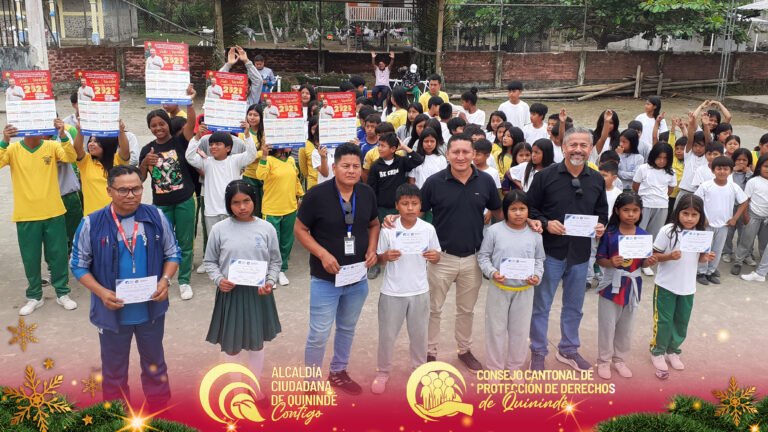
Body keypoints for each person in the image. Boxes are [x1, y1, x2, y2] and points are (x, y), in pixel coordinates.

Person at [385, 133, 504, 371]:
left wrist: (524, 225)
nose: (461, 157)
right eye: (455, 152)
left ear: (474, 154)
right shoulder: (435, 182)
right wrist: (395, 216)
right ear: (447, 154)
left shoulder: (486, 181)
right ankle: (428, 352)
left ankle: (464, 349)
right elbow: (416, 209)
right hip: (441, 257)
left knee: (466, 310)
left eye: (465, 152)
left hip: (473, 258)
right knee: (433, 309)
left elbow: (499, 212)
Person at [70, 165, 180, 410]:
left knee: (155, 365)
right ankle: (117, 418)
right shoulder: (92, 223)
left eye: (136, 189)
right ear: (109, 191)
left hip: (150, 310)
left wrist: (165, 280)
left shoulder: (156, 217)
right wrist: (101, 292)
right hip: (111, 313)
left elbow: (173, 253)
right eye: (123, 190)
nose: (131, 195)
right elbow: (78, 264)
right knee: (114, 372)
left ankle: (161, 415)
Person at [295, 143, 380, 395]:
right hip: (325, 278)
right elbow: (300, 229)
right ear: (334, 167)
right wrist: (322, 254)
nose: (352, 171)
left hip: (357, 277)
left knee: (346, 327)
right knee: (319, 333)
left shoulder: (365, 193)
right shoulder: (317, 195)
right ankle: (311, 382)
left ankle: (338, 372)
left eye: (356, 166)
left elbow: (374, 224)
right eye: (346, 166)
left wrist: (373, 248)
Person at [526, 126, 609, 371]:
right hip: (550, 252)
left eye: (584, 145)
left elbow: (601, 212)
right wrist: (545, 223)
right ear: (563, 147)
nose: (578, 150)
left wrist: (601, 225)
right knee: (541, 305)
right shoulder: (545, 177)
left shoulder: (596, 179)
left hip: (580, 255)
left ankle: (568, 349)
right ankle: (538, 351)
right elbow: (530, 210)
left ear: (591, 149)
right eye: (573, 145)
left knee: (574, 306)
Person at [204, 180, 281, 398]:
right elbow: (210, 261)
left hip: (259, 294)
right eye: (236, 203)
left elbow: (275, 261)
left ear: (254, 200)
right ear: (229, 205)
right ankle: (237, 390)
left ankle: (254, 388)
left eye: (246, 201)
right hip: (231, 294)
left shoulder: (266, 228)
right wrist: (220, 280)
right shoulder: (219, 229)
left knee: (256, 344)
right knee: (233, 346)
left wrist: (270, 281)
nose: (242, 207)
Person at [2, 118, 79, 315]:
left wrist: (62, 135)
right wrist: (4, 140)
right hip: (26, 214)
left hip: (54, 211)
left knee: (59, 255)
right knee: (30, 258)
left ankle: (62, 293)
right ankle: (34, 296)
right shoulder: (13, 150)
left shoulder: (52, 145)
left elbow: (71, 157)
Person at [371, 183, 440, 394]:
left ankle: (419, 369)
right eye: (405, 204)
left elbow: (437, 255)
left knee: (419, 335)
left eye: (414, 204)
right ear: (396, 206)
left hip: (419, 290)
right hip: (393, 291)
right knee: (387, 335)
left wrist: (435, 257)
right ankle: (383, 372)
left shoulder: (428, 229)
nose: (410, 208)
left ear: (421, 206)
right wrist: (386, 257)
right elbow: (379, 260)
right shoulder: (389, 229)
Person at [139, 84, 197, 301]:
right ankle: (164, 277)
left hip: (184, 200)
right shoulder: (147, 149)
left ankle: (184, 281)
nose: (158, 128)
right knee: (162, 242)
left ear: (168, 124)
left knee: (185, 242)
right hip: (161, 204)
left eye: (161, 123)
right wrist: (145, 163)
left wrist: (189, 102)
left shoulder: (180, 141)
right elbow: (141, 178)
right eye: (153, 126)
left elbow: (191, 123)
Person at [477, 190, 544, 372]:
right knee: (495, 330)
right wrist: (492, 272)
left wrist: (537, 276)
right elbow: (483, 256)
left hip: (524, 290)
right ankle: (494, 368)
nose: (518, 213)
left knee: (520, 332)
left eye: (522, 209)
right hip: (499, 288)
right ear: (506, 210)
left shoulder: (535, 235)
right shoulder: (494, 231)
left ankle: (515, 367)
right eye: (513, 209)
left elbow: (539, 259)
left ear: (528, 211)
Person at [595, 192, 658, 380]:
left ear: (641, 212)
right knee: (607, 325)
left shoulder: (643, 236)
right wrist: (611, 262)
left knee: (626, 326)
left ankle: (620, 359)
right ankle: (604, 360)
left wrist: (650, 262)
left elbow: (643, 263)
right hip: (611, 286)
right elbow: (600, 260)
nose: (631, 214)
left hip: (632, 285)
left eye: (635, 211)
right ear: (617, 211)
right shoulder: (610, 234)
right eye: (626, 210)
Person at [650, 194, 715, 374]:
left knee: (681, 321)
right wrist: (669, 256)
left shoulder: (701, 234)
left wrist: (705, 257)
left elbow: (700, 258)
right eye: (685, 213)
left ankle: (673, 350)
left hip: (687, 287)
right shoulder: (668, 231)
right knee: (663, 321)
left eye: (694, 215)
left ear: (700, 216)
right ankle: (657, 351)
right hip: (666, 285)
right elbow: (653, 256)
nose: (689, 218)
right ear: (678, 212)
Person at [186, 125, 258, 240]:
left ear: (228, 148)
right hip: (212, 213)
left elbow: (252, 155)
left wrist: (247, 135)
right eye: (211, 145)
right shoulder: (206, 162)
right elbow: (189, 157)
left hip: (232, 211)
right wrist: (197, 137)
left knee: (233, 242)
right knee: (215, 244)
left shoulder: (236, 160)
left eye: (218, 144)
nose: (213, 147)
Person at [255, 138, 305, 286]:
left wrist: (300, 195)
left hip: (290, 207)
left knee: (286, 241)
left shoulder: (290, 161)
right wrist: (264, 155)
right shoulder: (269, 160)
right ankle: (271, 271)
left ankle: (281, 269)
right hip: (271, 209)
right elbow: (260, 175)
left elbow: (295, 180)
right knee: (272, 242)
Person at [693, 156, 748, 285]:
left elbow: (744, 201)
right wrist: (703, 217)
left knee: (717, 249)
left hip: (723, 225)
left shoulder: (733, 187)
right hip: (706, 224)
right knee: (704, 248)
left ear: (730, 171)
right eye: (719, 168)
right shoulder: (706, 186)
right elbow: (696, 201)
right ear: (713, 170)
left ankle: (711, 271)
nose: (722, 171)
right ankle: (701, 272)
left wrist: (735, 218)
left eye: (725, 169)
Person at [74, 120, 131, 216]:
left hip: (117, 215)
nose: (91, 144)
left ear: (107, 144)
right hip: (93, 217)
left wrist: (121, 131)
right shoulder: (86, 162)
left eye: (96, 142)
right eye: (90, 141)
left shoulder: (117, 160)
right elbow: (77, 149)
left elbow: (125, 150)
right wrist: (80, 131)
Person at [368, 132, 424, 222]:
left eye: (383, 146)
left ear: (393, 149)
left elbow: (418, 160)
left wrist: (404, 147)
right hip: (382, 209)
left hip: (400, 208)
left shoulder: (401, 161)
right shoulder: (375, 166)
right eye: (379, 145)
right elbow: (371, 190)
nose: (379, 148)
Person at [632, 142, 676, 248]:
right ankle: (635, 254)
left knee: (655, 234)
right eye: (659, 157)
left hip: (662, 206)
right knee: (639, 231)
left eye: (665, 158)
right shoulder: (643, 168)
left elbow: (670, 189)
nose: (661, 161)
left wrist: (659, 197)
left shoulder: (671, 172)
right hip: (644, 205)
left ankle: (647, 258)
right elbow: (635, 186)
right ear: (653, 156)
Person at [732, 154, 768, 276]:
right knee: (746, 240)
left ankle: (764, 265)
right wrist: (746, 217)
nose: (767, 169)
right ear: (759, 167)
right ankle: (738, 262)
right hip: (753, 215)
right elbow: (745, 200)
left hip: (766, 218)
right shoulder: (753, 181)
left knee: (764, 243)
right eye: (766, 166)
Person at [723, 148, 753, 264]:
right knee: (729, 231)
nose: (741, 162)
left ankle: (745, 254)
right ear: (733, 161)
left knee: (745, 232)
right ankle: (726, 252)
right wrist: (732, 170)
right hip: (730, 206)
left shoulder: (751, 175)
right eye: (738, 160)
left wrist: (748, 173)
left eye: (744, 160)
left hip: (745, 207)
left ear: (749, 162)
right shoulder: (730, 173)